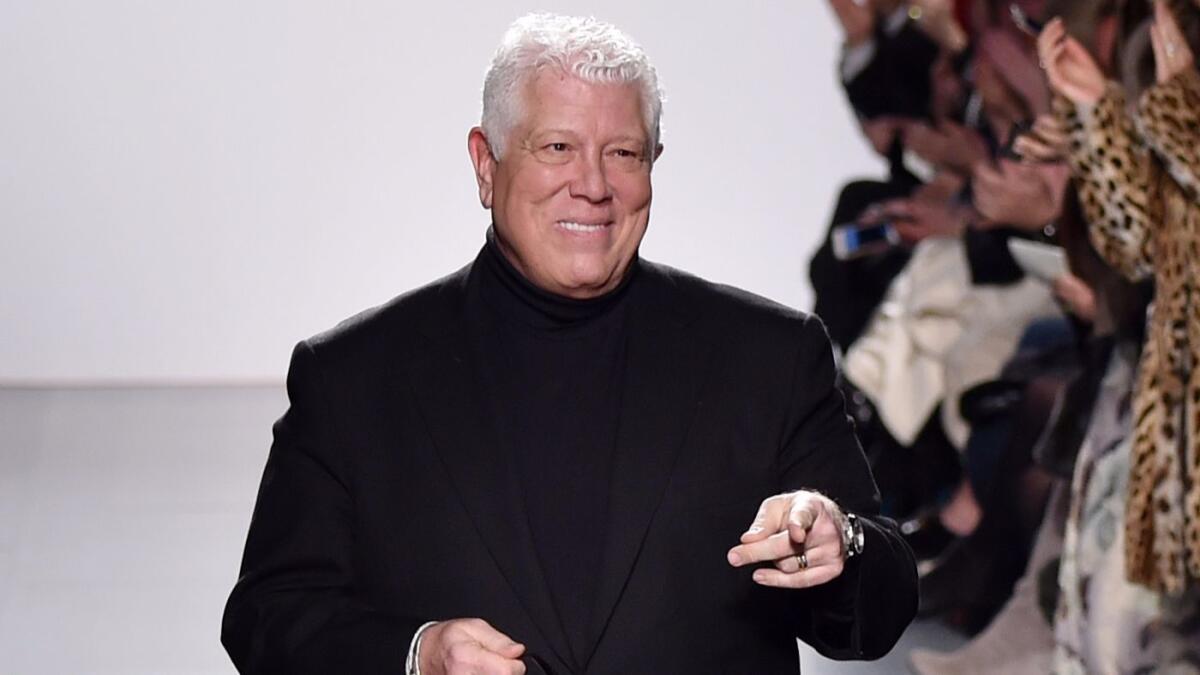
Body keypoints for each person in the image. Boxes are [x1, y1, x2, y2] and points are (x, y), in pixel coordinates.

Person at [220, 12, 917, 675]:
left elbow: (881, 603)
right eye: (557, 147)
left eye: (623, 153)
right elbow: (267, 615)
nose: (593, 185)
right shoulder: (351, 377)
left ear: (653, 165)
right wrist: (417, 654)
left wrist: (843, 544)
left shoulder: (771, 356)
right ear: (486, 164)